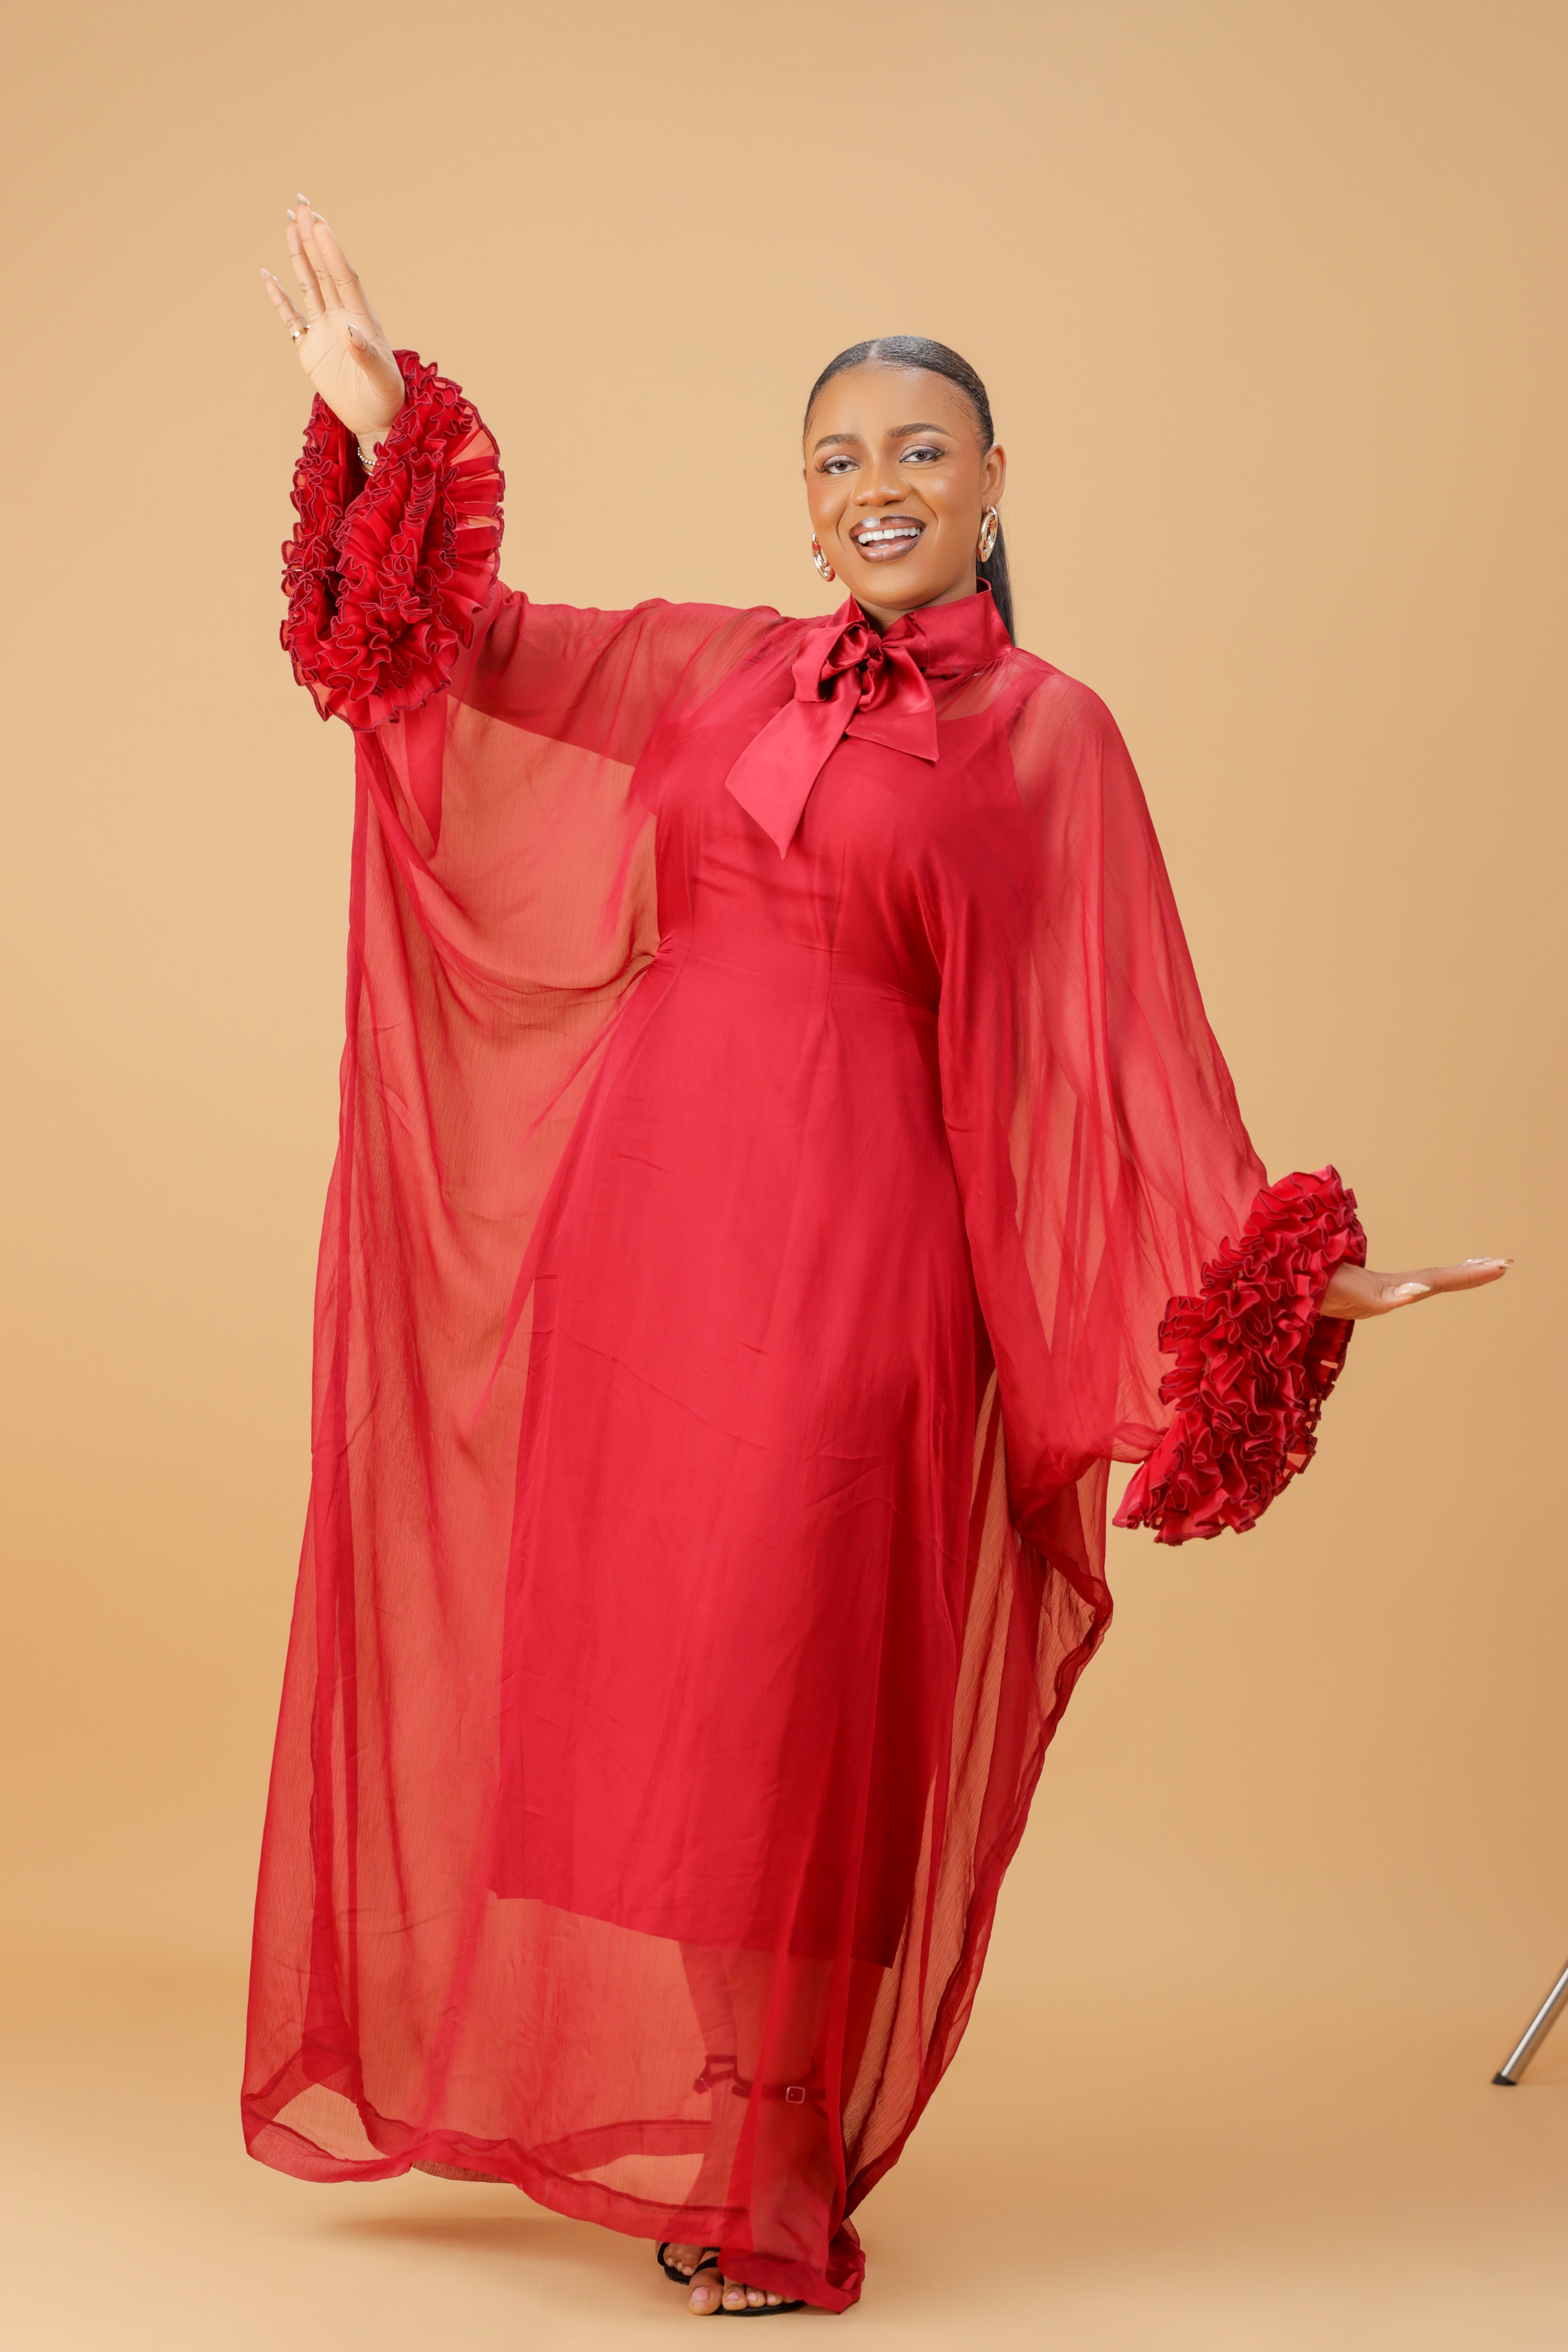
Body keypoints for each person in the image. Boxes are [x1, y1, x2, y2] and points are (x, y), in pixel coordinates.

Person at [246, 199, 1507, 2318]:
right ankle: (735, 2112)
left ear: (996, 485)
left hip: (861, 1280)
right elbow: (465, 659)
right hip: (647, 1250)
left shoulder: (1051, 741)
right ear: (803, 496)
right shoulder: (715, 666)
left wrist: (1275, 1266)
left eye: (922, 452)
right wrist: (383, 435)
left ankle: (778, 2175)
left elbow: (1121, 1051)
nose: (879, 490)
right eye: (840, 457)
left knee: (801, 1709)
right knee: (673, 1714)